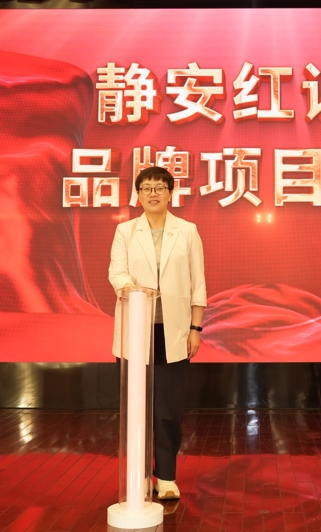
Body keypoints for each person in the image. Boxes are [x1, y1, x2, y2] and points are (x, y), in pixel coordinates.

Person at [109, 166, 207, 500]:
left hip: (174, 331)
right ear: (138, 195)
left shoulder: (188, 231)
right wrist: (133, 289)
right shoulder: (125, 231)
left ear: (170, 193)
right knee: (136, 407)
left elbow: (198, 283)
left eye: (160, 188)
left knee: (168, 409)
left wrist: (195, 328)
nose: (153, 193)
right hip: (136, 330)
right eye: (147, 188)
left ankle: (165, 476)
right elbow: (116, 272)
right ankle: (139, 476)